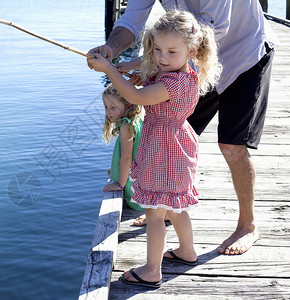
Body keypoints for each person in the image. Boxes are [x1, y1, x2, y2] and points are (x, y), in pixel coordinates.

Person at [88, 0, 275, 255]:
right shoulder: (174, 61)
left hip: (242, 54)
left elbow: (211, 32)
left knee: (232, 146)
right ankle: (166, 208)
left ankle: (247, 225)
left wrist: (151, 64)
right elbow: (132, 21)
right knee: (170, 133)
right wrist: (111, 48)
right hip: (182, 59)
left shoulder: (183, 65)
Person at [88, 10, 222, 288]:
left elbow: (135, 97)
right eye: (157, 48)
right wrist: (129, 68)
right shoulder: (185, 68)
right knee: (174, 205)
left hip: (164, 148)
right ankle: (187, 251)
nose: (162, 57)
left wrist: (111, 71)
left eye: (171, 51)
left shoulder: (173, 81)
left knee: (154, 212)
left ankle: (152, 270)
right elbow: (150, 68)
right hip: (175, 143)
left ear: (192, 49)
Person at [102, 84, 144, 211]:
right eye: (106, 107)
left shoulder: (126, 126)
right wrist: (115, 167)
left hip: (134, 181)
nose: (108, 112)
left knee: (131, 204)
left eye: (113, 107)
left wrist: (120, 184)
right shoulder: (137, 118)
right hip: (141, 172)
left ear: (129, 105)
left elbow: (126, 157)